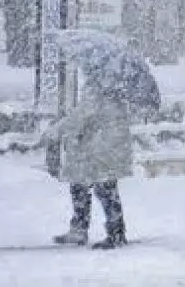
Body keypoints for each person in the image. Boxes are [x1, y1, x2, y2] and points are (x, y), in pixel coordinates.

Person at [44, 71, 133, 249]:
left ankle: (106, 233)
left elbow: (80, 117)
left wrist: (55, 130)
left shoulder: (98, 88)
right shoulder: (118, 90)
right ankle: (107, 230)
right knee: (91, 186)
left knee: (97, 188)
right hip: (108, 148)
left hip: (100, 150)